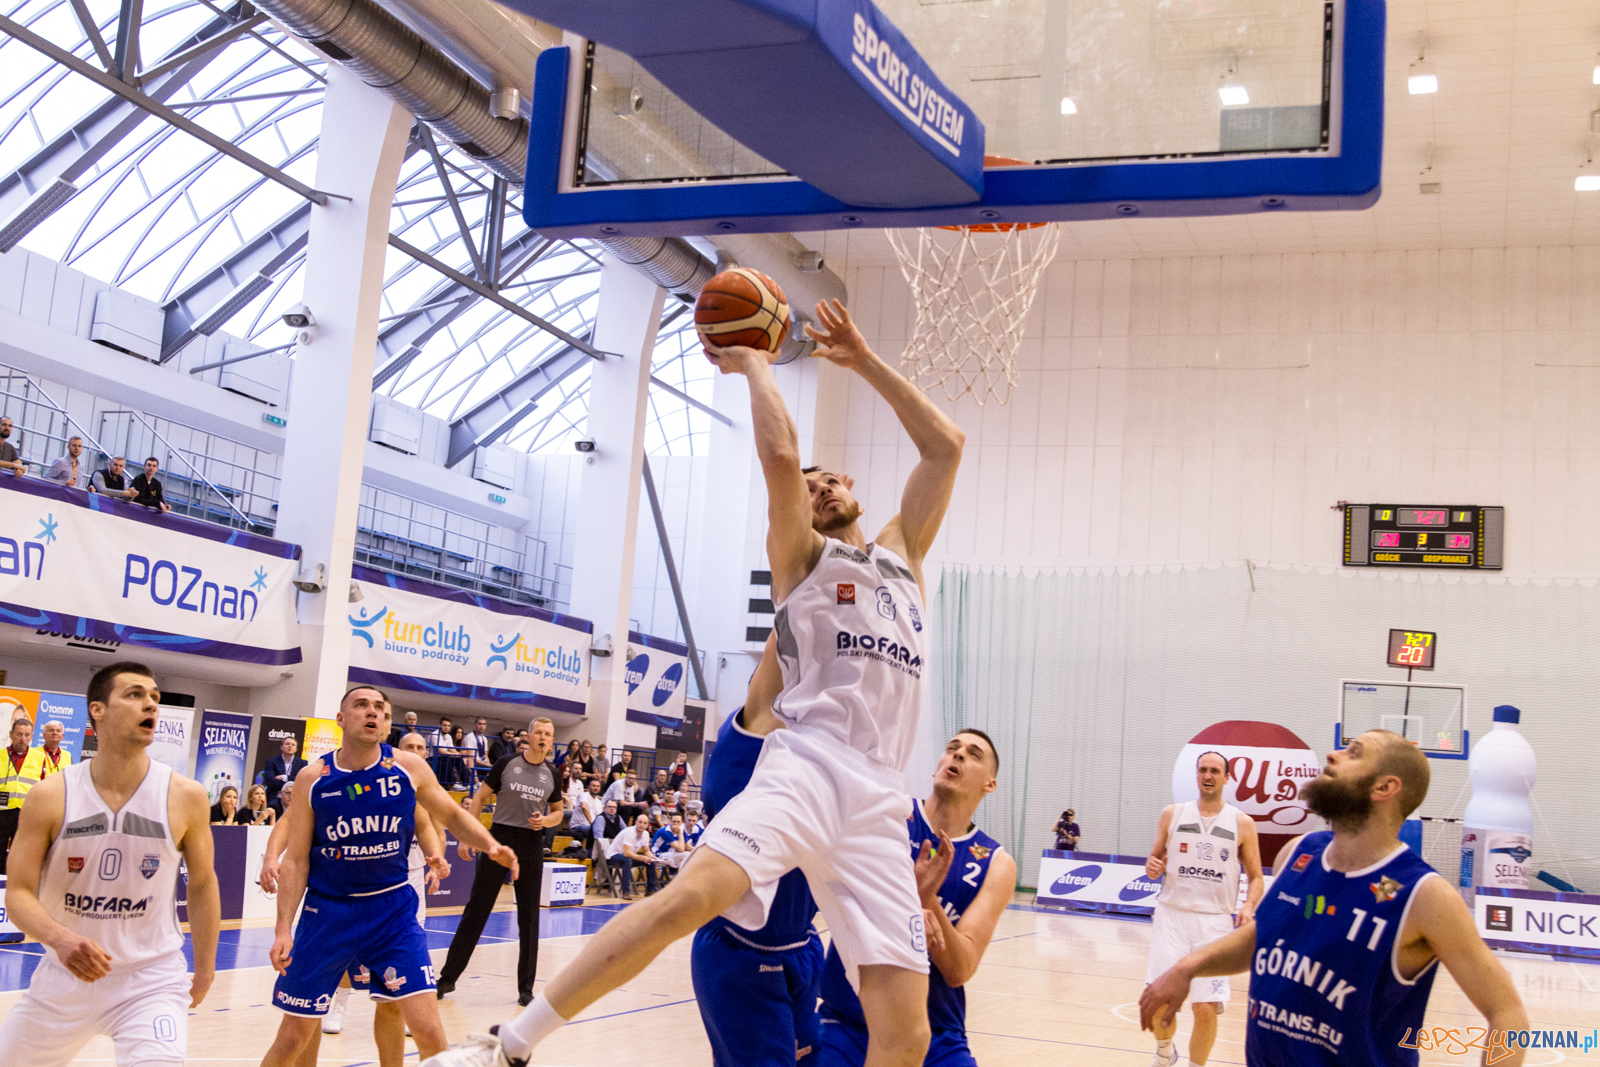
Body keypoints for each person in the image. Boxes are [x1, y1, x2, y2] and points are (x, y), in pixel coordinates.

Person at [421, 298, 965, 1067]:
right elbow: (779, 462)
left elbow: (946, 446)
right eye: (806, 490)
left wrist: (865, 359)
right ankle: (510, 1044)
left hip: (880, 793)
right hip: (808, 764)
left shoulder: (902, 552)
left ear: (851, 485)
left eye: (827, 483)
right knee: (688, 897)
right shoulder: (804, 561)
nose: (816, 491)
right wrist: (751, 359)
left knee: (906, 1034)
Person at [1141, 730, 1532, 1067]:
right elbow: (1263, 936)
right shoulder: (1297, 853)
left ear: (1384, 788)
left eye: (1354, 752)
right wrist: (1187, 968)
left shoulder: (1425, 895)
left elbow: (1508, 1014)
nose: (1333, 754)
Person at [258, 686, 517, 1067]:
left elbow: (450, 815)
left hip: (393, 912)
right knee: (293, 1038)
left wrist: (490, 844)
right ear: (342, 719)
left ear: (387, 722)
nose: (372, 712)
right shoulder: (315, 778)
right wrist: (283, 929)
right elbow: (296, 861)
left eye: (380, 707)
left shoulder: (408, 768)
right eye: (361, 705)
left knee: (429, 1031)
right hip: (328, 913)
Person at [0, 661, 220, 1064]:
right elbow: (17, 894)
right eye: (135, 694)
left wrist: (206, 968)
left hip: (151, 981)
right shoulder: (50, 795)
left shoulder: (185, 796)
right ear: (97, 710)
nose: (151, 705)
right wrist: (60, 939)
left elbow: (204, 884)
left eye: (154, 697)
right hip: (64, 979)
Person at [818, 728, 1014, 1067]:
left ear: (990, 784)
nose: (958, 754)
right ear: (936, 766)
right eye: (952, 747)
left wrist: (927, 902)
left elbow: (960, 968)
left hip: (936, 1033)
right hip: (849, 1019)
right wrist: (910, 907)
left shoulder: (996, 863)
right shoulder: (886, 815)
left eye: (973, 753)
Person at [690, 638, 821, 1067]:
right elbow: (783, 633)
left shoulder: (813, 753)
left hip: (802, 944)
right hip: (741, 948)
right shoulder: (748, 739)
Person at [1140, 752, 1264, 1067]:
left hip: (1215, 923)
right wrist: (1152, 866)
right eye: (1203, 770)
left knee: (1205, 1007)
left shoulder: (1242, 823)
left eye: (1215, 771)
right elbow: (1153, 863)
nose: (1208, 775)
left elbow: (1257, 877)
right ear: (1196, 775)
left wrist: (1248, 905)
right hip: (1172, 916)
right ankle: (1165, 1053)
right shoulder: (1172, 814)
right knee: (1160, 1001)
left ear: (1227, 777)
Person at [436, 716, 562, 1007]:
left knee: (529, 917)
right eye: (539, 733)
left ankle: (525, 989)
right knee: (477, 911)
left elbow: (558, 811)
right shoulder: (506, 763)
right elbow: (479, 799)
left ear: (552, 741)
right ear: (528, 737)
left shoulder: (553, 774)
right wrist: (468, 835)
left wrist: (545, 821)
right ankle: (447, 978)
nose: (543, 738)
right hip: (499, 839)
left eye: (548, 734)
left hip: (531, 844)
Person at [0, 716, 37, 873]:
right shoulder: (1, 755)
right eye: (19, 734)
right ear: (11, 734)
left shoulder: (40, 758)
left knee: (21, 853)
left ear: (31, 736)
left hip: (26, 814)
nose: (23, 739)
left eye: (27, 735)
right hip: (2, 812)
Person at [606, 813, 661, 900]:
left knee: (650, 862)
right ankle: (626, 892)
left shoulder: (646, 834)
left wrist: (654, 858)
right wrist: (643, 858)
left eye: (644, 823)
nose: (642, 825)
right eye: (640, 822)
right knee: (627, 860)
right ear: (635, 822)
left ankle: (650, 890)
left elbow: (646, 851)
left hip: (628, 857)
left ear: (647, 825)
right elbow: (626, 853)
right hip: (613, 856)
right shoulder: (630, 832)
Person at [263, 735, 307, 808]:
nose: (290, 746)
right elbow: (270, 781)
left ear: (296, 749)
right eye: (287, 744)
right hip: (274, 798)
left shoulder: (303, 763)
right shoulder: (272, 762)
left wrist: (285, 777)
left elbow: (303, 781)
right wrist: (291, 784)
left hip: (295, 799)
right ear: (281, 747)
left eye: (293, 745)